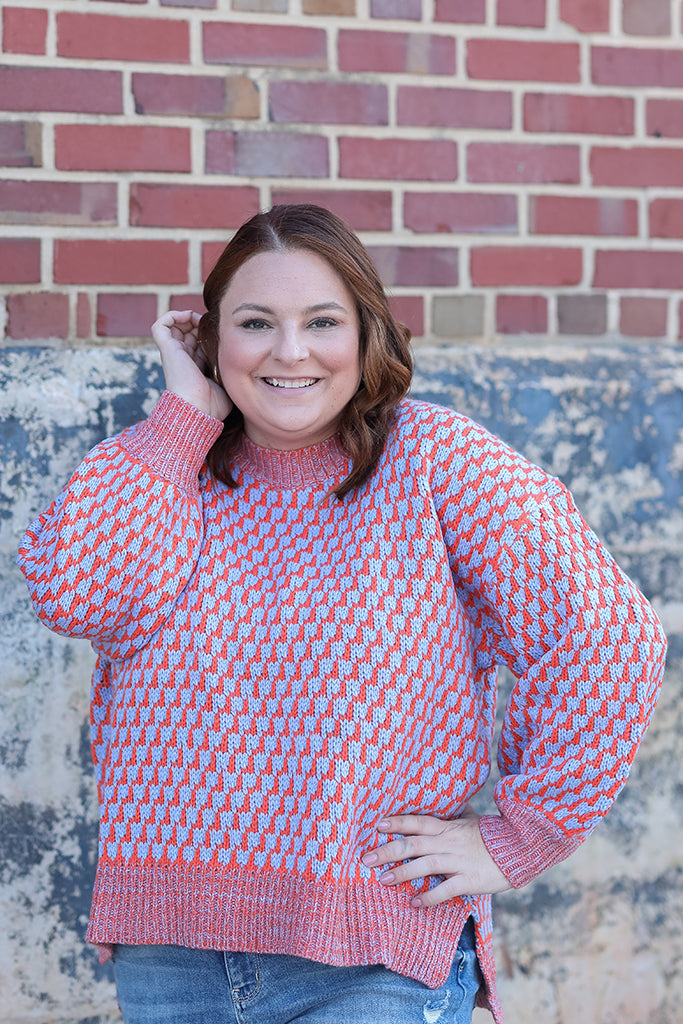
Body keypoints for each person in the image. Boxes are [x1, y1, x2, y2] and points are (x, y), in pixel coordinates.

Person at [18, 204, 666, 1024]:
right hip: (169, 955)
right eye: (255, 323)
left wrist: (521, 836)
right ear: (213, 341)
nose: (290, 352)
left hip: (372, 956)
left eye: (322, 321)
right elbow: (74, 592)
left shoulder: (435, 463)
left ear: (366, 335)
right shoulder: (160, 470)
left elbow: (606, 633)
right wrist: (185, 416)